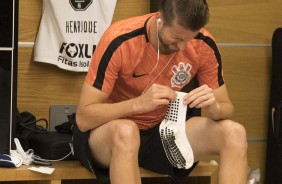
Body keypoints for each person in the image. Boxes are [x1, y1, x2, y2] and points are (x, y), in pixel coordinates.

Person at [73, 0, 248, 183]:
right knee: (126, 132)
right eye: (177, 38)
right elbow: (84, 118)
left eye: (189, 39)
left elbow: (226, 107)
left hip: (163, 131)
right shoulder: (120, 40)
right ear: (160, 18)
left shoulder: (204, 44)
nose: (182, 47)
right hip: (108, 135)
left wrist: (214, 107)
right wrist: (138, 104)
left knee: (235, 133)